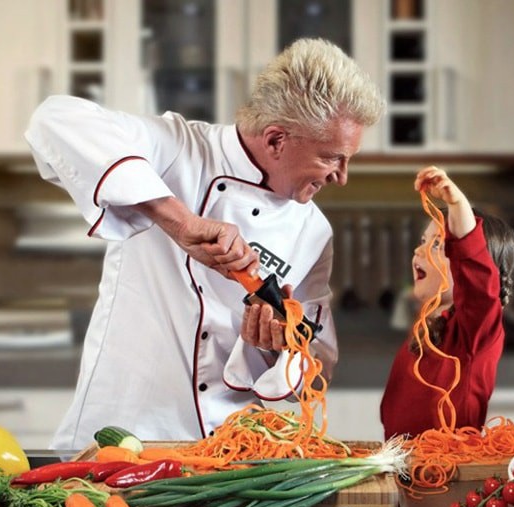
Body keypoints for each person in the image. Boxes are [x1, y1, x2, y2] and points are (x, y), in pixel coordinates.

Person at [25, 38, 386, 450]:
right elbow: (53, 119)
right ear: (275, 140)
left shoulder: (313, 232)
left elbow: (316, 368)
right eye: (331, 157)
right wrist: (178, 221)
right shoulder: (179, 149)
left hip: (227, 452)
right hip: (122, 434)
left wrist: (275, 350)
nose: (341, 176)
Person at [380, 166, 514, 440]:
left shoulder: (475, 331)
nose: (419, 250)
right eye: (423, 241)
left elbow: (477, 280)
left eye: (437, 245)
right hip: (404, 460)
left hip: (450, 463)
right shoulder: (427, 327)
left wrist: (457, 205)